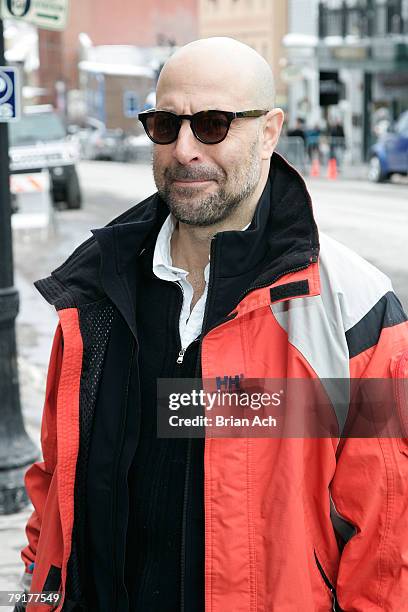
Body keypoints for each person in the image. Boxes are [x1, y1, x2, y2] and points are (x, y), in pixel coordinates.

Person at [16, 37, 408, 612]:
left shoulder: (354, 311)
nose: (184, 149)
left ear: (270, 131)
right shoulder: (94, 296)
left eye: (214, 124)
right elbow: (53, 491)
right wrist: (37, 598)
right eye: (165, 124)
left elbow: (387, 542)